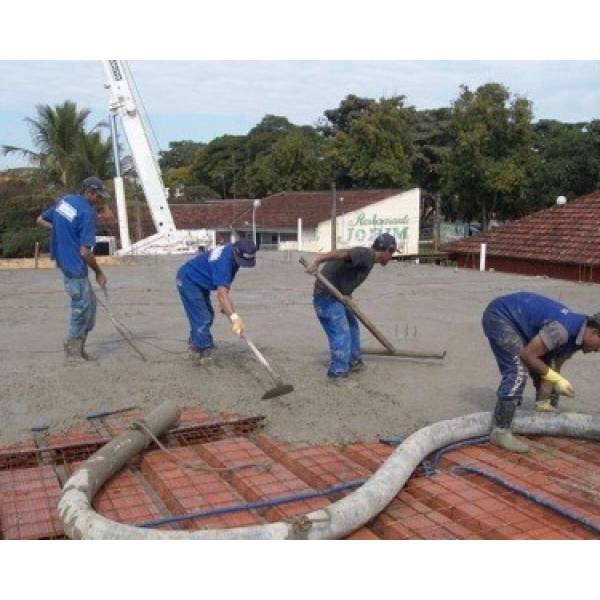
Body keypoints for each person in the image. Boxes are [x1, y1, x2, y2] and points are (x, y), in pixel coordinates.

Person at [482, 291, 600, 453]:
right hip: (502, 316)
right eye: (599, 346)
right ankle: (500, 430)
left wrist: (547, 399)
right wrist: (557, 379)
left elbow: (553, 367)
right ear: (595, 333)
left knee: (545, 365)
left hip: (522, 323)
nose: (597, 350)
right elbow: (528, 356)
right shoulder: (563, 331)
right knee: (517, 371)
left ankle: (542, 410)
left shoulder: (577, 338)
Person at [305, 233, 397, 384]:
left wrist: (349, 296)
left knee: (353, 327)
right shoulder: (366, 254)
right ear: (388, 250)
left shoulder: (369, 259)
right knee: (342, 334)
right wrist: (318, 260)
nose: (391, 258)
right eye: (392, 253)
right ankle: (337, 373)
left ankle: (354, 362)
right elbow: (341, 253)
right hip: (326, 298)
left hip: (340, 297)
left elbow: (345, 275)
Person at [36, 176, 109, 362]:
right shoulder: (86, 212)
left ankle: (79, 349)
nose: (99, 200)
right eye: (98, 196)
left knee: (90, 308)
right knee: (81, 308)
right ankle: (72, 352)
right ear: (89, 192)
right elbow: (85, 252)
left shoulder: (66, 202)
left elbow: (40, 220)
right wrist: (99, 272)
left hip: (65, 261)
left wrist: (60, 229)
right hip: (74, 265)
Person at [176, 238, 257, 363]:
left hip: (200, 280)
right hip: (188, 280)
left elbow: (224, 287)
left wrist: (225, 306)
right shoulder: (224, 262)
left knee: (207, 315)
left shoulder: (232, 252)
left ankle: (196, 342)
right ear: (236, 252)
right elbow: (222, 292)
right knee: (203, 317)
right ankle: (202, 350)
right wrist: (234, 318)